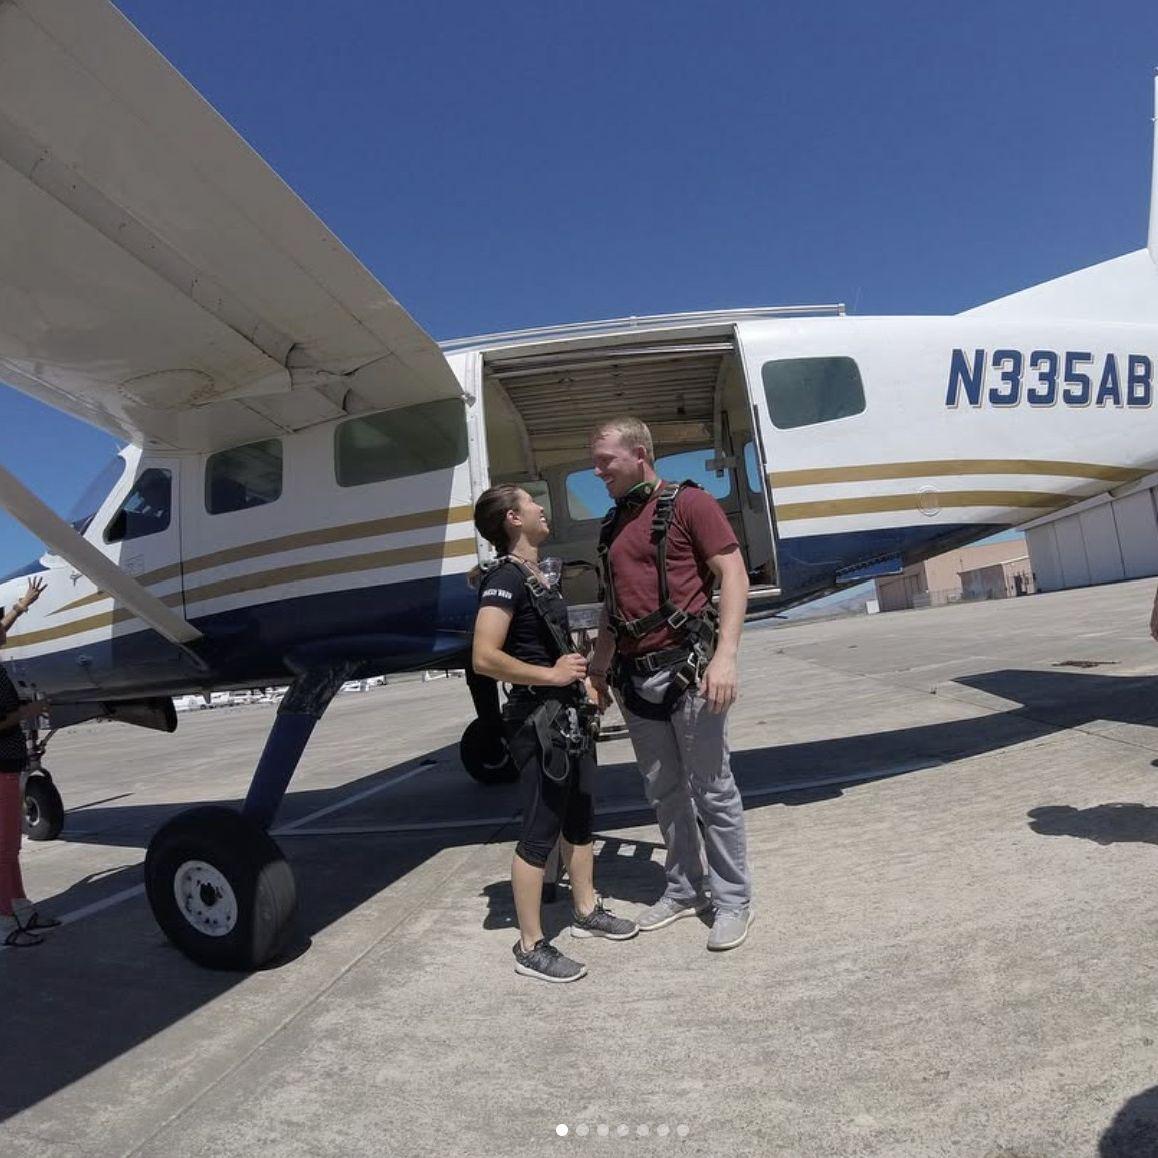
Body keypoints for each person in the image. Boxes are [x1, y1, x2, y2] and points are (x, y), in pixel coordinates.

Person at [587, 417, 754, 951]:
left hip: (690, 671)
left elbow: (734, 575)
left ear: (639, 454)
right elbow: (612, 608)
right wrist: (597, 670)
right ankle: (685, 890)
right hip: (634, 678)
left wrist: (725, 657)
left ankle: (732, 901)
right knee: (663, 792)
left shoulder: (690, 504)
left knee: (713, 791)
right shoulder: (613, 523)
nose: (597, 472)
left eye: (605, 461)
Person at [471, 484, 637, 982]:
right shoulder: (504, 578)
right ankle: (530, 945)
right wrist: (552, 675)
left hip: (566, 714)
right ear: (512, 519)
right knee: (540, 829)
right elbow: (484, 657)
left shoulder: (537, 576)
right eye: (531, 503)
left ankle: (585, 910)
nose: (541, 508)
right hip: (537, 718)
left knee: (580, 817)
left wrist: (581, 680)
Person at [0, 576, 59, 947]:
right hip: (0, 770)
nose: (3, 626)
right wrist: (29, 711)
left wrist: (24, 604)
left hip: (9, 768)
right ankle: (5, 925)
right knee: (2, 849)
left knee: (11, 847)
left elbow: (3, 625)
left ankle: (22, 909)